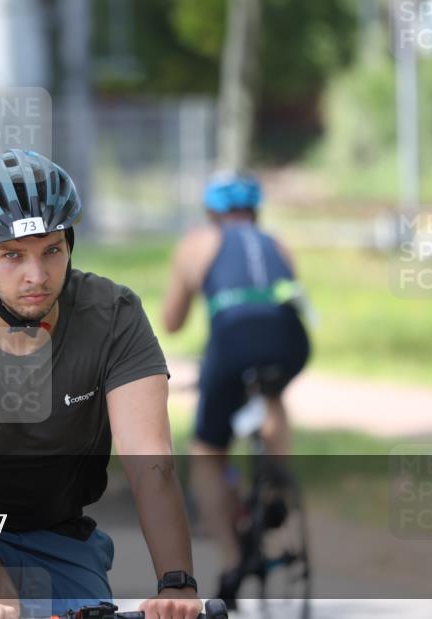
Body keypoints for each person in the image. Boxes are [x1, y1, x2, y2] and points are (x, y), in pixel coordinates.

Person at [0, 150, 203, 619]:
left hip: (55, 532)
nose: (37, 276)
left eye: (51, 251)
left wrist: (177, 584)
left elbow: (152, 466)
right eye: (12, 256)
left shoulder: (113, 315)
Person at [161, 171, 310, 606]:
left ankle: (230, 559)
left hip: (233, 338)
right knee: (273, 395)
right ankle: (278, 488)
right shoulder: (276, 242)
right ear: (255, 210)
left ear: (211, 211)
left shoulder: (197, 243)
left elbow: (172, 321)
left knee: (207, 450)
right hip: (290, 337)